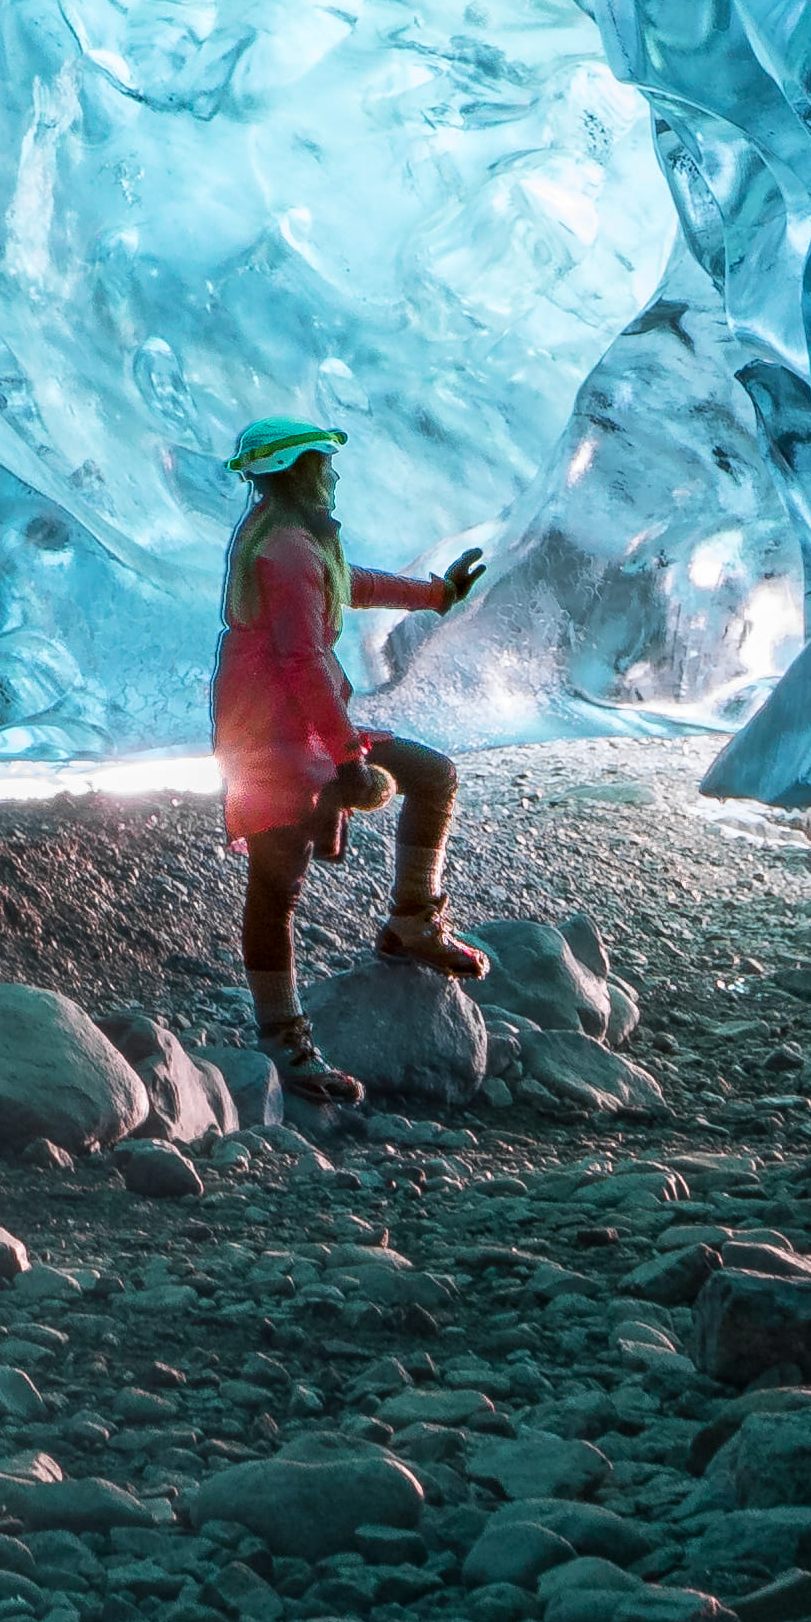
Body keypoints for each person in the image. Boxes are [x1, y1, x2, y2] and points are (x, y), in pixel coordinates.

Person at [207, 417, 486, 1112]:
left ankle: (412, 922)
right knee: (276, 884)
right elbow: (301, 659)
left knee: (430, 775)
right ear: (299, 469)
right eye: (324, 464)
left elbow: (345, 585)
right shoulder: (287, 550)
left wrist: (433, 595)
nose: (333, 475)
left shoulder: (294, 539)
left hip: (294, 717)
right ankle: (285, 1044)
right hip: (272, 731)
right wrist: (344, 757)